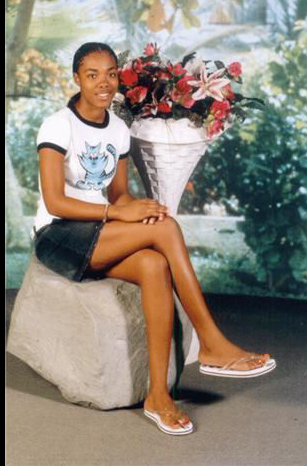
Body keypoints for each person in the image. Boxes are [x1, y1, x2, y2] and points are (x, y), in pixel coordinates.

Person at [33, 42, 275, 436]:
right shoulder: (57, 125)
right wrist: (120, 214)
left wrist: (143, 208)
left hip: (98, 230)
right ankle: (211, 342)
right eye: (92, 75)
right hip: (58, 235)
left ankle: (158, 396)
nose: (104, 83)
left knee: (155, 263)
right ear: (76, 79)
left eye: (111, 74)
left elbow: (118, 195)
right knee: (166, 229)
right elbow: (55, 201)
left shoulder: (117, 128)